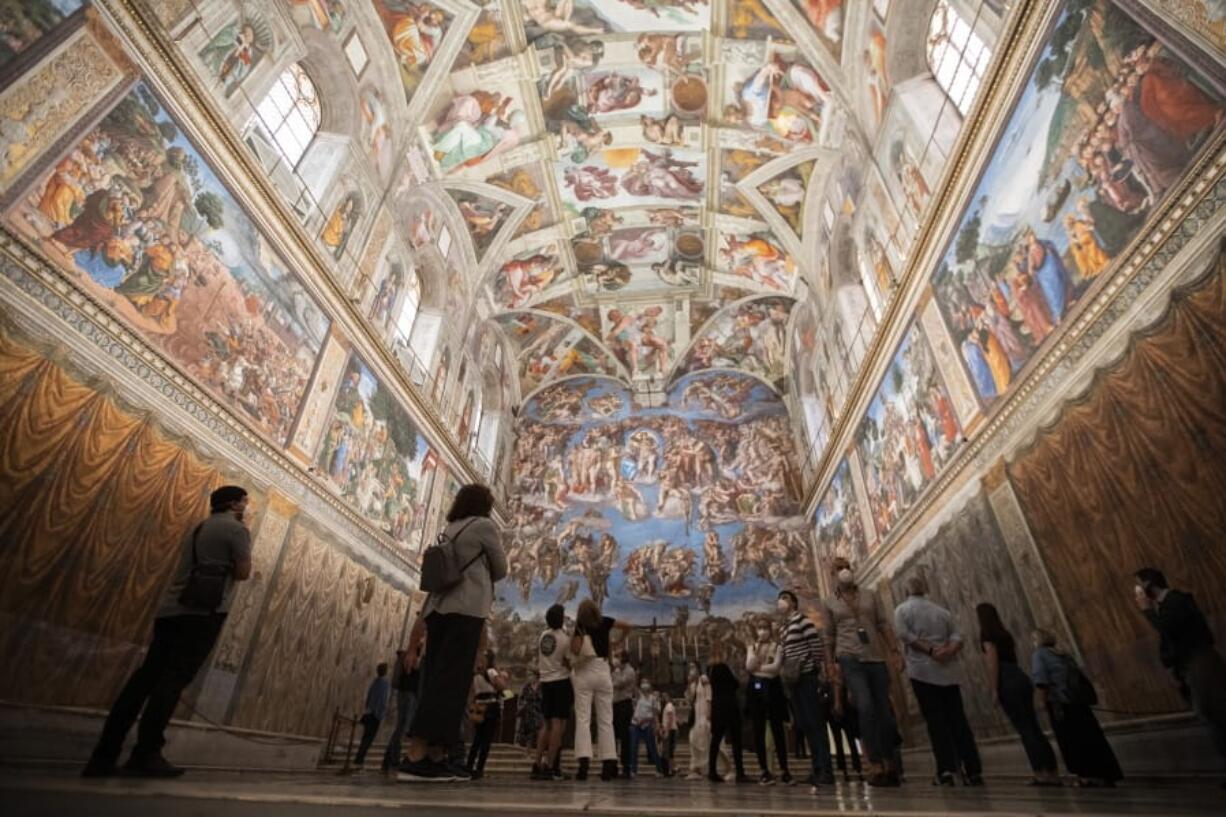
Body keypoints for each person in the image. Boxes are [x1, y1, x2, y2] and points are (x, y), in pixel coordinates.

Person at [83, 486, 253, 777]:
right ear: (235, 504)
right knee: (172, 683)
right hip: (203, 613)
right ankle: (146, 754)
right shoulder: (237, 530)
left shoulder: (200, 528)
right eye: (245, 502)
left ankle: (104, 754)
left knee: (144, 679)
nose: (246, 507)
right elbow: (243, 572)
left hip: (170, 610)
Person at [399, 484, 506, 782]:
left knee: (437, 681)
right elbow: (502, 568)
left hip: (439, 611)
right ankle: (416, 756)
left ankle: (435, 757)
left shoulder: (451, 527)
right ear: (485, 504)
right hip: (465, 611)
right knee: (450, 687)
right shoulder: (484, 526)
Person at [1134, 568, 1226, 782]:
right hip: (1190, 664)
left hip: (1201, 661)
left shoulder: (1176, 601)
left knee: (1217, 712)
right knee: (1210, 714)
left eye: (1139, 586)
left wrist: (1147, 611)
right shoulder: (1166, 605)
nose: (1137, 592)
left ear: (1149, 584)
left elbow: (1169, 629)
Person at [893, 576, 982, 786]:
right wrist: (948, 650)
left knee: (936, 722)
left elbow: (904, 635)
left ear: (907, 591)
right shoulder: (941, 611)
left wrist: (931, 651)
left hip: (922, 672)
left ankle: (947, 769)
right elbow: (958, 636)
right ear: (925, 589)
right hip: (948, 671)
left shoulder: (902, 610)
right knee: (958, 720)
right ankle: (973, 769)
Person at [823, 559, 902, 787]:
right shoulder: (829, 603)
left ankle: (890, 762)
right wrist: (830, 665)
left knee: (885, 713)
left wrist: (895, 651)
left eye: (846, 566)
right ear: (833, 575)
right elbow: (828, 637)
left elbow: (883, 623)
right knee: (865, 707)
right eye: (838, 569)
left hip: (875, 656)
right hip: (849, 658)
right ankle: (874, 763)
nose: (843, 571)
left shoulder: (869, 595)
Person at [975, 603, 1060, 786]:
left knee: (1025, 729)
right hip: (1020, 677)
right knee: (1034, 726)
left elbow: (993, 663)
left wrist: (994, 688)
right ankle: (1053, 771)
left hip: (1006, 679)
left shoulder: (986, 635)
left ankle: (1040, 773)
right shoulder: (1005, 634)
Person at [1031, 629, 1122, 787]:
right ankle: (1106, 774)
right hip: (1078, 701)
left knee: (1074, 741)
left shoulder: (1039, 654)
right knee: (1092, 737)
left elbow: (1041, 680)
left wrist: (1040, 703)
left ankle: (1087, 775)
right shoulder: (1063, 653)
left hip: (1061, 703)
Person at [571, 598, 630, 781]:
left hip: (585, 670)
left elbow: (574, 649)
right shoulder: (605, 621)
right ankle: (608, 765)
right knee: (606, 720)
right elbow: (628, 625)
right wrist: (619, 641)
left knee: (583, 719)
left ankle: (583, 766)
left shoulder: (580, 625)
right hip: (603, 670)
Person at [778, 590, 831, 791]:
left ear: (793, 602)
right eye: (779, 599)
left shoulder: (803, 621)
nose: (781, 602)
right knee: (806, 724)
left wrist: (815, 668)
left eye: (785, 598)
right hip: (793, 679)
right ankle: (817, 768)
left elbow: (815, 646)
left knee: (816, 723)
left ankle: (825, 770)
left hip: (807, 676)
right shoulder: (783, 628)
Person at [746, 619, 792, 785]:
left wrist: (759, 669)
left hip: (773, 689)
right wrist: (758, 661)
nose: (762, 631)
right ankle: (764, 770)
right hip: (756, 690)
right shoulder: (752, 647)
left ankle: (784, 769)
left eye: (765, 628)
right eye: (760, 628)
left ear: (770, 630)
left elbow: (776, 668)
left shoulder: (777, 647)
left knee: (777, 729)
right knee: (758, 730)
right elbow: (749, 666)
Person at [532, 604, 573, 781]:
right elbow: (570, 662)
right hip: (561, 683)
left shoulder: (543, 636)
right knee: (558, 726)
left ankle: (537, 764)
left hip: (545, 682)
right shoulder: (564, 639)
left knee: (546, 724)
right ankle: (550, 766)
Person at [382, 623, 424, 774]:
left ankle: (388, 760)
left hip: (409, 693)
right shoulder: (412, 655)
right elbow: (417, 667)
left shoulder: (414, 655)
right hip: (408, 693)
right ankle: (392, 760)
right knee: (402, 727)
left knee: (401, 727)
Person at [707, 643, 750, 784]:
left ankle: (712, 770)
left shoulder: (710, 669)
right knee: (736, 740)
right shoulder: (723, 668)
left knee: (716, 740)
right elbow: (735, 684)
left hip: (717, 707)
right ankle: (740, 772)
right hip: (729, 707)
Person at [467, 651, 506, 779]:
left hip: (479, 706)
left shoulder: (475, 675)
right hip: (491, 707)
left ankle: (469, 766)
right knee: (486, 741)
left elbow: (473, 692)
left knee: (477, 739)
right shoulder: (491, 672)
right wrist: (502, 676)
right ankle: (479, 769)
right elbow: (502, 686)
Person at [355, 663, 391, 767]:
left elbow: (369, 697)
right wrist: (381, 714)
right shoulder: (385, 684)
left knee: (365, 737)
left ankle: (359, 758)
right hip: (376, 715)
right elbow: (383, 700)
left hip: (369, 712)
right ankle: (359, 760)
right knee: (369, 739)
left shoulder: (374, 682)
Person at [627, 679, 664, 778]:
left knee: (652, 748)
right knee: (633, 747)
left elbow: (655, 714)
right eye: (642, 682)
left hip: (647, 725)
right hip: (636, 724)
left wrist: (656, 725)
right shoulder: (639, 696)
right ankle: (633, 770)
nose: (644, 684)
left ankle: (659, 769)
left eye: (646, 682)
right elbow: (633, 685)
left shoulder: (653, 698)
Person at [611, 651, 637, 777]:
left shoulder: (630, 671)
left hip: (624, 705)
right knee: (613, 736)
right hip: (615, 704)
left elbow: (619, 683)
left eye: (617, 656)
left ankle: (626, 766)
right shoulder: (617, 670)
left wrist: (614, 672)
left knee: (625, 737)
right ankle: (613, 765)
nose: (615, 659)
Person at [828, 687, 862, 781]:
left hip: (847, 714)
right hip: (833, 716)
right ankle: (844, 770)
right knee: (839, 743)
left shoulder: (843, 683)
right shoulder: (827, 684)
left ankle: (857, 768)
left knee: (851, 742)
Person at [660, 693, 678, 777]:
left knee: (668, 751)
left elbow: (670, 718)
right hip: (669, 729)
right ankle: (672, 769)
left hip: (670, 730)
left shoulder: (669, 706)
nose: (663, 698)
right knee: (668, 752)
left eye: (664, 697)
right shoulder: (667, 706)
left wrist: (667, 730)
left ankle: (674, 768)